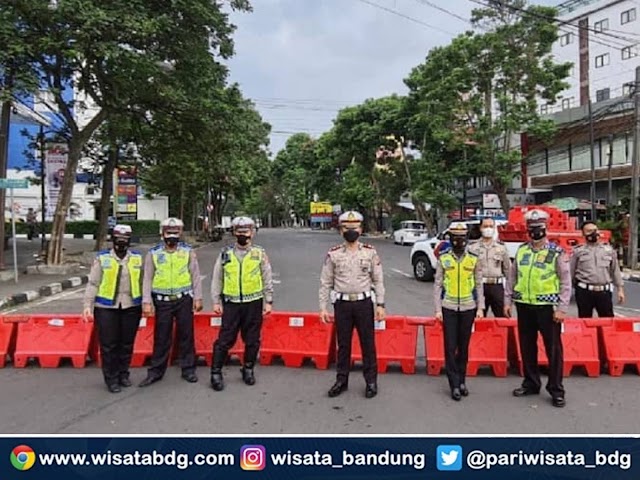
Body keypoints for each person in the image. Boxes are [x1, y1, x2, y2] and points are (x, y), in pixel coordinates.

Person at [504, 209, 571, 408]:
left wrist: (562, 308)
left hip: (548, 308)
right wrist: (507, 301)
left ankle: (556, 389)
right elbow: (512, 278)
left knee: (553, 350)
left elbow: (565, 282)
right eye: (532, 229)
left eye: (539, 228)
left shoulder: (556, 252)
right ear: (528, 230)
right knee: (527, 346)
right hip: (524, 306)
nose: (535, 232)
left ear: (545, 228)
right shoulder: (522, 251)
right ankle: (531, 383)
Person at [319, 211, 385, 399]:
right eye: (347, 228)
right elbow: (326, 282)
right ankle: (341, 380)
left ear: (361, 229)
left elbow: (378, 280)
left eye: (354, 228)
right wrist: (323, 307)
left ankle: (371, 381)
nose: (351, 231)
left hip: (364, 304)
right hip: (342, 305)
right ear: (341, 231)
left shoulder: (370, 252)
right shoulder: (333, 254)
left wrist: (380, 304)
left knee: (368, 345)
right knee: (344, 345)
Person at [210, 216, 273, 391]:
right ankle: (215, 372)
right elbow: (217, 278)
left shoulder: (259, 253)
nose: (242, 235)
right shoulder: (225, 254)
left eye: (246, 231)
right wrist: (216, 301)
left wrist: (269, 300)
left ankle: (248, 369)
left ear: (252, 233)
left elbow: (267, 277)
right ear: (234, 233)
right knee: (225, 339)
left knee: (252, 340)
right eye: (239, 231)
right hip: (231, 303)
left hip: (253, 302)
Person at [139, 217, 203, 387]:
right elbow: (147, 278)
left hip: (184, 299)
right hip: (162, 301)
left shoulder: (188, 252)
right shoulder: (154, 253)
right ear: (163, 234)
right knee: (161, 337)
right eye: (169, 233)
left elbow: (195, 275)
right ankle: (156, 372)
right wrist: (146, 301)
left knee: (186, 335)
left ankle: (188, 369)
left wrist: (198, 297)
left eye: (175, 233)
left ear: (180, 234)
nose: (172, 237)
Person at [82, 225, 143, 393]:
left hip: (131, 306)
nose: (121, 242)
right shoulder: (102, 259)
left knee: (127, 343)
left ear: (130, 240)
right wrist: (87, 305)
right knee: (109, 345)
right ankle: (111, 378)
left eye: (125, 239)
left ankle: (124, 374)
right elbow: (93, 283)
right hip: (106, 307)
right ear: (113, 239)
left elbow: (143, 282)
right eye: (118, 238)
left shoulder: (137, 258)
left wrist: (147, 303)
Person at [434, 222, 484, 401]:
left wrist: (480, 308)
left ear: (466, 238)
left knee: (463, 347)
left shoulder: (474, 257)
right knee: (450, 346)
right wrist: (438, 309)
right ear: (450, 238)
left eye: (461, 236)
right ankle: (453, 384)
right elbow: (438, 284)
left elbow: (479, 284)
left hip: (468, 307)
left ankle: (462, 380)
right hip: (448, 308)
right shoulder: (443, 257)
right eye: (454, 236)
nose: (458, 240)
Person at [571, 221, 625, 318]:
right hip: (584, 291)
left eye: (595, 230)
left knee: (608, 322)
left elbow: (615, 271)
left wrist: (620, 290)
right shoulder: (578, 251)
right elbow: (571, 273)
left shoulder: (608, 250)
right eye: (589, 231)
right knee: (585, 321)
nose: (593, 233)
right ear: (583, 234)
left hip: (604, 292)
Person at [468, 217, 511, 317]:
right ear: (480, 228)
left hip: (496, 286)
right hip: (479, 286)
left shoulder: (501, 247)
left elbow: (508, 271)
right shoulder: (472, 248)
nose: (488, 229)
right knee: (478, 318)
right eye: (485, 226)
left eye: (491, 226)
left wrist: (509, 293)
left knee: (503, 318)